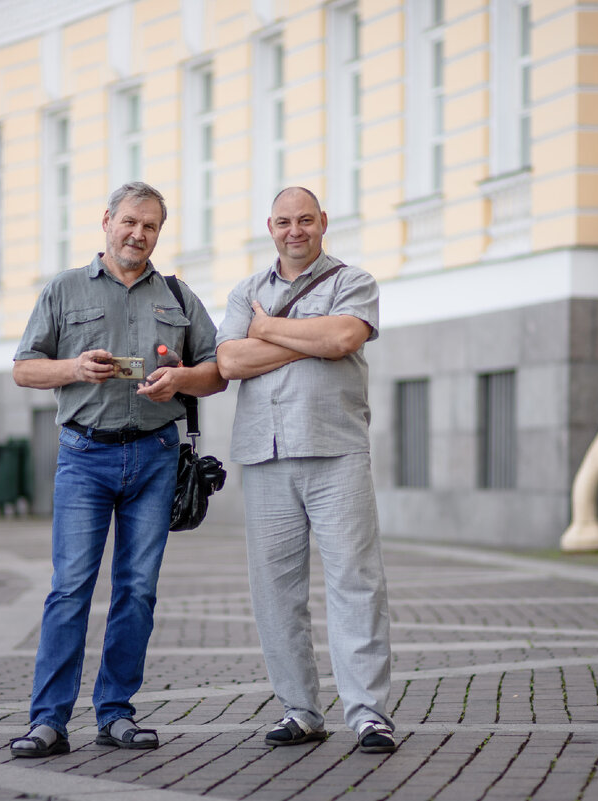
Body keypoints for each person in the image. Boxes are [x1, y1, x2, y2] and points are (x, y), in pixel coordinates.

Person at [10, 181, 226, 757]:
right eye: (130, 222)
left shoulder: (177, 296)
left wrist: (179, 380)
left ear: (159, 232)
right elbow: (24, 369)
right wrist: (75, 367)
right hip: (84, 456)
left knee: (137, 590)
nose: (138, 234)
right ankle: (48, 721)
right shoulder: (64, 288)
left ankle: (116, 713)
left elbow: (216, 370)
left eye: (150, 226)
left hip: (155, 456)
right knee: (70, 589)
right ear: (107, 220)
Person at [216, 187, 396, 754]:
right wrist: (310, 342)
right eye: (284, 222)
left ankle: (367, 713)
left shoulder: (352, 281)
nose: (295, 230)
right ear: (269, 227)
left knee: (354, 582)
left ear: (323, 222)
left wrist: (267, 330)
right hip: (265, 455)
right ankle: (300, 710)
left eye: (305, 220)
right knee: (275, 591)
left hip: (335, 450)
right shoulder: (246, 290)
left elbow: (344, 336)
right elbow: (228, 360)